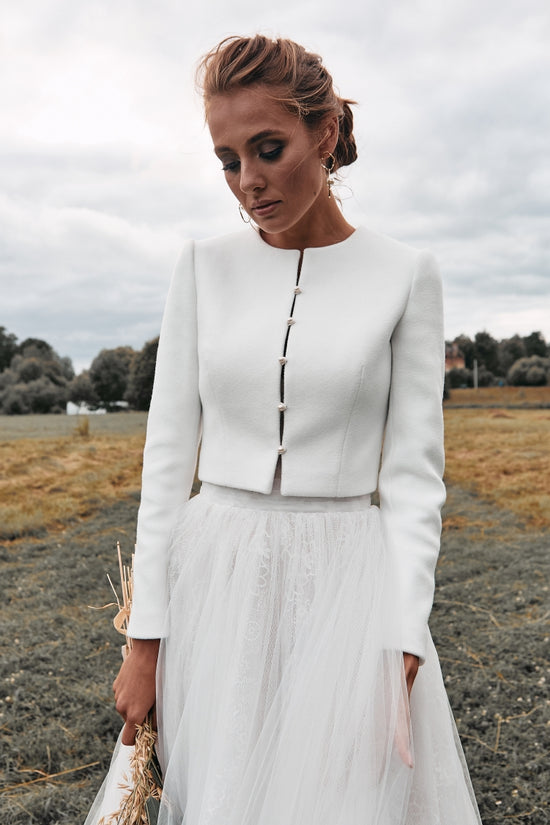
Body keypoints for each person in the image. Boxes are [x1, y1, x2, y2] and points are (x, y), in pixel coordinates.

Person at [85, 35, 482, 825]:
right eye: (228, 160)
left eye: (268, 149)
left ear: (325, 133)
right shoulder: (201, 266)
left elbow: (414, 476)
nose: (249, 182)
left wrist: (404, 634)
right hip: (216, 580)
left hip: (349, 583)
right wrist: (145, 641)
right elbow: (167, 464)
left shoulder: (407, 275)